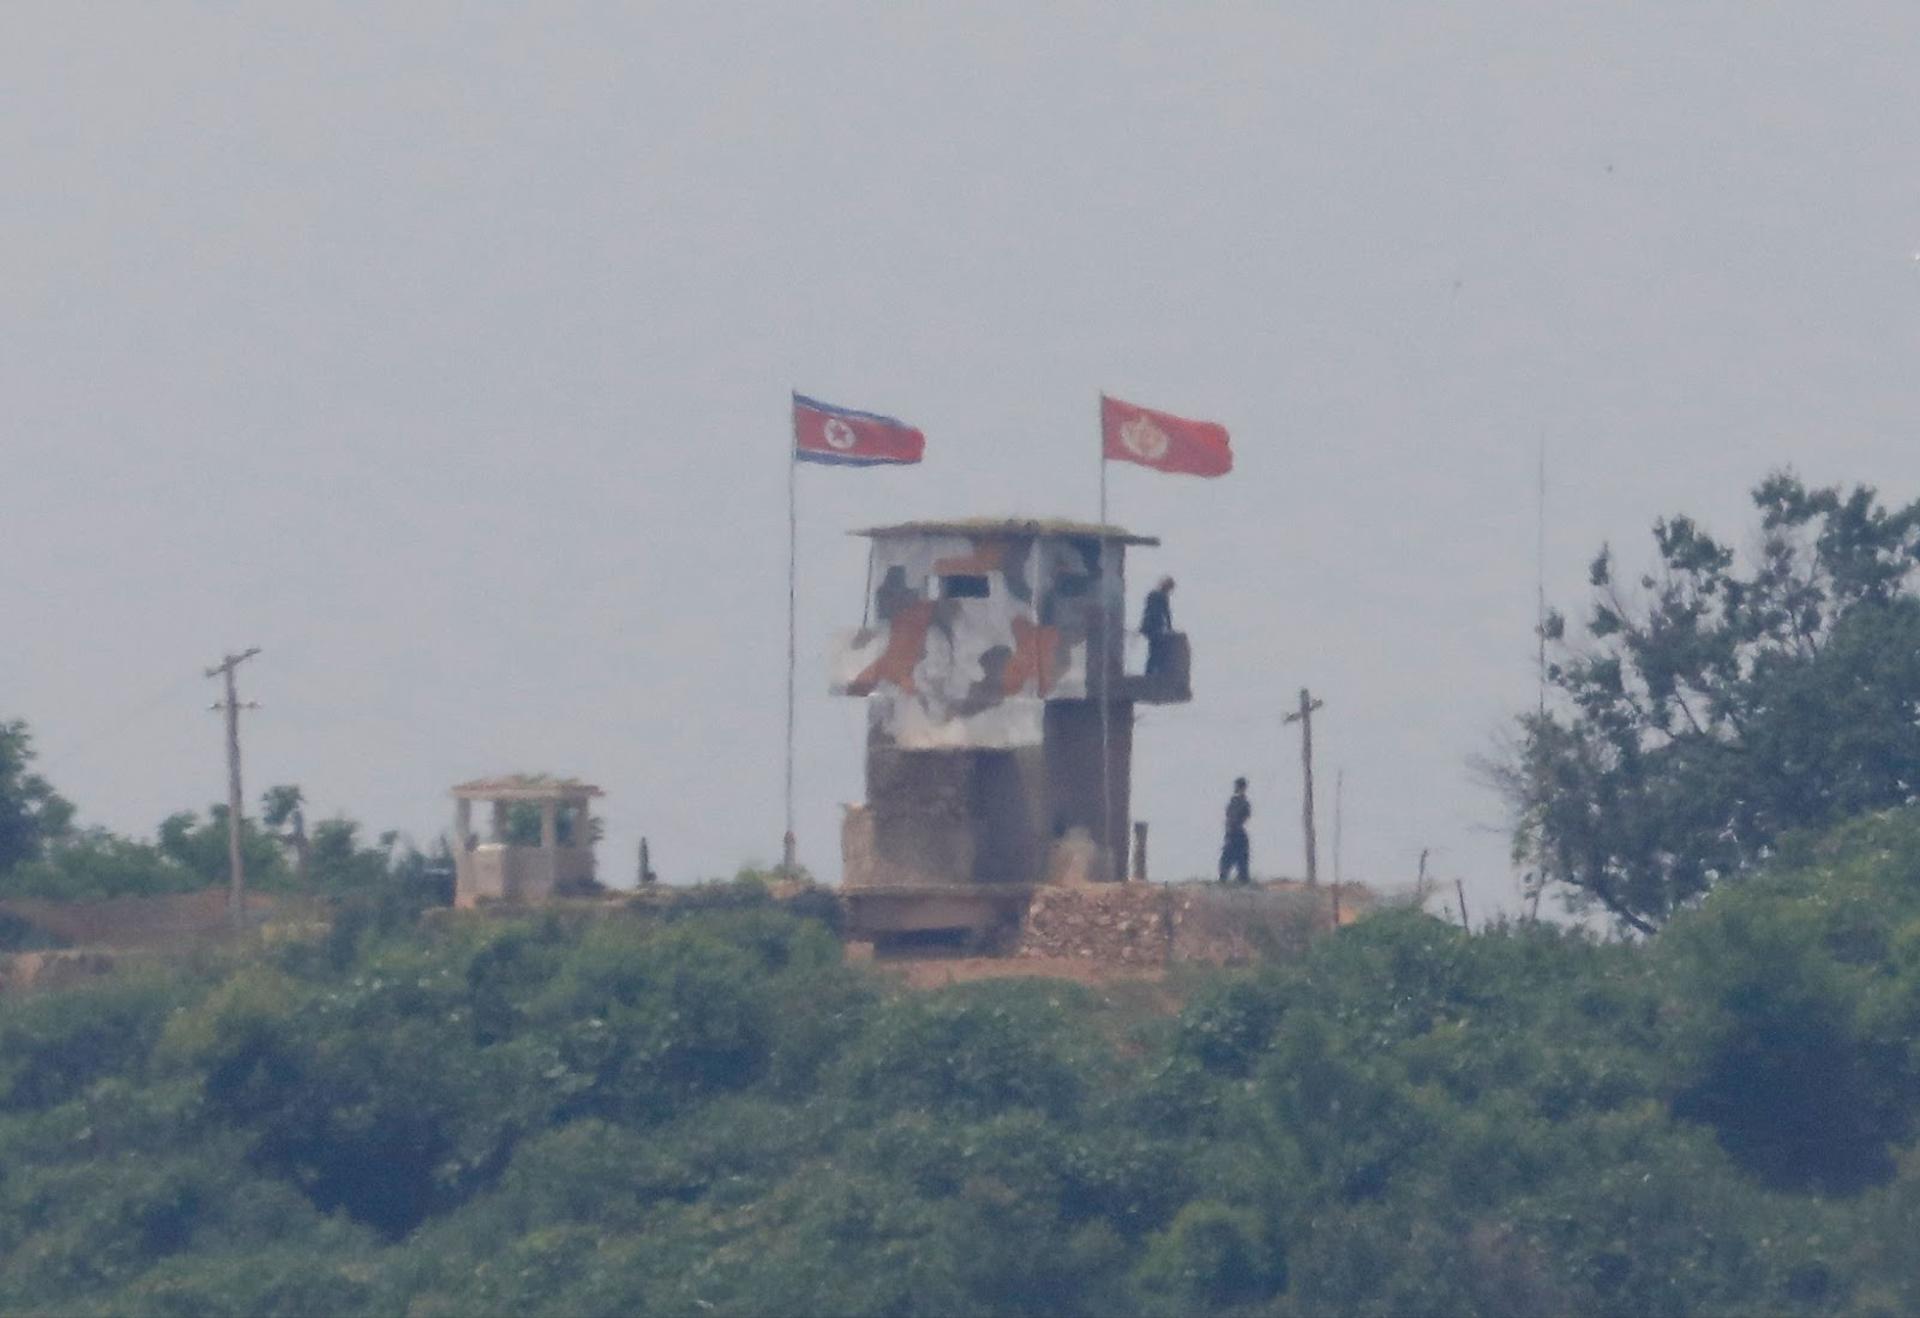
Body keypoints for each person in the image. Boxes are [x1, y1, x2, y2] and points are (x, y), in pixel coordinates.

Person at [1141, 576, 1175, 676]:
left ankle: (1150, 671)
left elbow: (1146, 611)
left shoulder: (1152, 594)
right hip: (1155, 626)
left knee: (1153, 649)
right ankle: (1152, 671)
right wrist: (1169, 628)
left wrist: (1143, 626)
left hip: (1149, 626)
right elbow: (1166, 613)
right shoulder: (1162, 596)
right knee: (1156, 649)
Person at [1220, 777, 1252, 883]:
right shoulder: (1237, 802)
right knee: (1229, 860)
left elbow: (1236, 817)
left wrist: (1231, 827)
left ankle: (1238, 881)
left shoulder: (1239, 802)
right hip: (1235, 834)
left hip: (1235, 834)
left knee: (1236, 861)